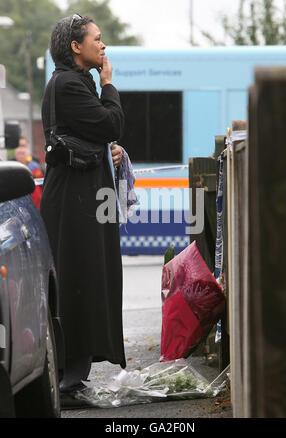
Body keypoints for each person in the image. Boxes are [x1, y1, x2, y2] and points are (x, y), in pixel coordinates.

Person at [40, 14, 126, 408]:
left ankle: (74, 377)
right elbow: (111, 123)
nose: (103, 45)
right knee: (78, 279)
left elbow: (96, 134)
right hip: (75, 199)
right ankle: (68, 382)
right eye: (97, 38)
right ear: (76, 47)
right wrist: (109, 84)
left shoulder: (73, 82)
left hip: (82, 194)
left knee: (88, 278)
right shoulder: (71, 84)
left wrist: (109, 150)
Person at [15, 140, 43, 209]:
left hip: (35, 202)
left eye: (23, 153)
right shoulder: (12, 165)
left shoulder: (34, 166)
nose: (21, 155)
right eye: (19, 153)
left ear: (28, 154)